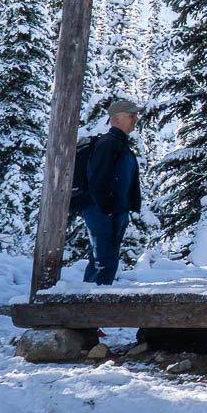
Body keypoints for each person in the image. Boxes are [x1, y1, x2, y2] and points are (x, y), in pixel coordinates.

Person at [76, 97, 143, 286]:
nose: (135, 120)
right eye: (131, 116)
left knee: (106, 257)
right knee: (103, 258)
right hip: (102, 210)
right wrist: (108, 207)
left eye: (135, 116)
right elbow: (97, 177)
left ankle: (92, 297)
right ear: (116, 119)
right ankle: (94, 301)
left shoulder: (120, 144)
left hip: (113, 210)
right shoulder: (108, 143)